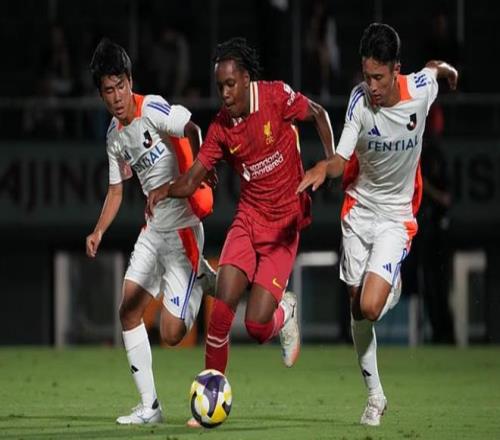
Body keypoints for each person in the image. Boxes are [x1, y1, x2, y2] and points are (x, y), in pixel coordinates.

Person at [146, 37, 335, 427]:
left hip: (284, 226)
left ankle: (285, 312)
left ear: (247, 79)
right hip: (248, 220)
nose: (225, 93)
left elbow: (318, 113)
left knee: (257, 326)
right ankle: (209, 399)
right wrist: (165, 190)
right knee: (222, 312)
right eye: (220, 87)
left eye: (230, 84)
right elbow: (193, 179)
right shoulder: (220, 128)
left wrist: (331, 161)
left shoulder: (276, 97)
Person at [297, 23, 458, 426]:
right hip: (358, 211)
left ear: (396, 70)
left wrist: (448, 71)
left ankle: (392, 284)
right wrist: (324, 167)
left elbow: (433, 68)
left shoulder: (419, 90)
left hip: (395, 217)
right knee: (357, 308)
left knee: (370, 305)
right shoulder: (360, 102)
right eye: (366, 76)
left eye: (379, 78)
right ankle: (375, 395)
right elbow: (341, 158)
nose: (371, 86)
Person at [85, 38, 216, 425]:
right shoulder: (114, 136)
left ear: (130, 81)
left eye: (120, 86)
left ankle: (202, 278)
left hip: (183, 229)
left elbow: (192, 128)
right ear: (101, 94)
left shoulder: (152, 108)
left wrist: (201, 170)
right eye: (107, 91)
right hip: (154, 228)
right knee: (127, 311)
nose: (116, 97)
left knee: (172, 334)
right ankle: (151, 407)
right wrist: (98, 231)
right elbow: (115, 191)